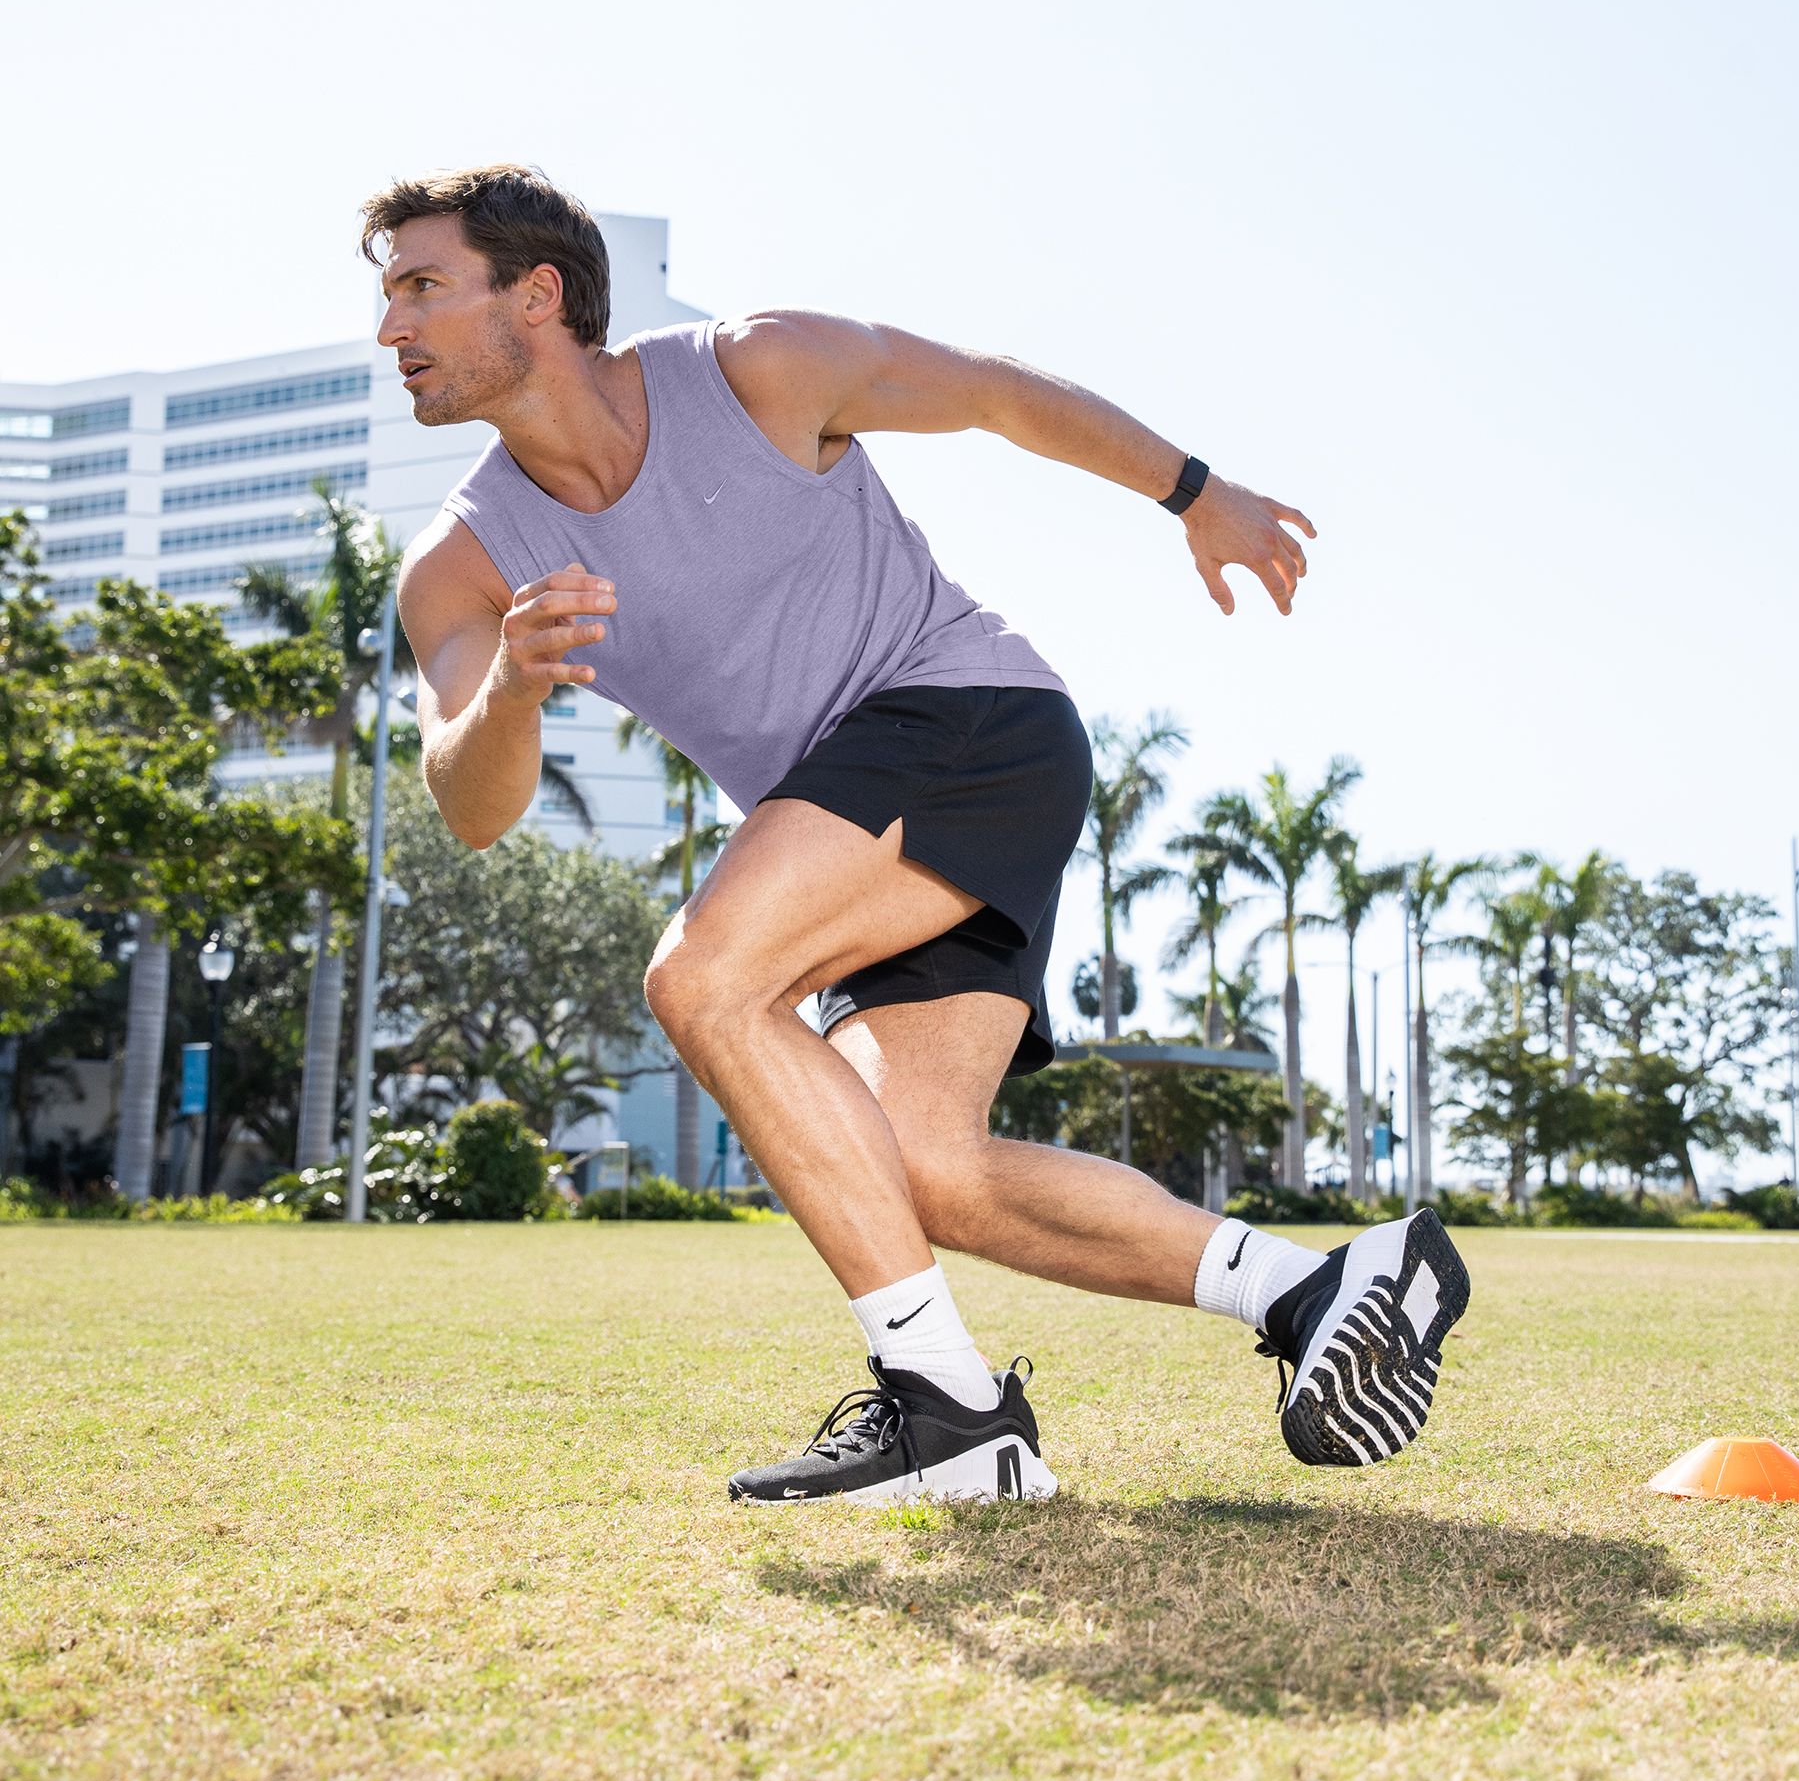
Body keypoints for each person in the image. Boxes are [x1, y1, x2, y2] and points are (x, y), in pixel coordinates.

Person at [376, 164, 1470, 1504]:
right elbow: (471, 807)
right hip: (861, 834)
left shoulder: (758, 372)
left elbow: (999, 395)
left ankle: (947, 1408)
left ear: (536, 295)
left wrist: (1196, 493)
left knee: (705, 977)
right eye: (387, 296)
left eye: (422, 286)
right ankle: (1315, 1289)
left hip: (967, 720)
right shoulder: (461, 562)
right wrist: (506, 688)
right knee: (925, 1172)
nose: (393, 328)